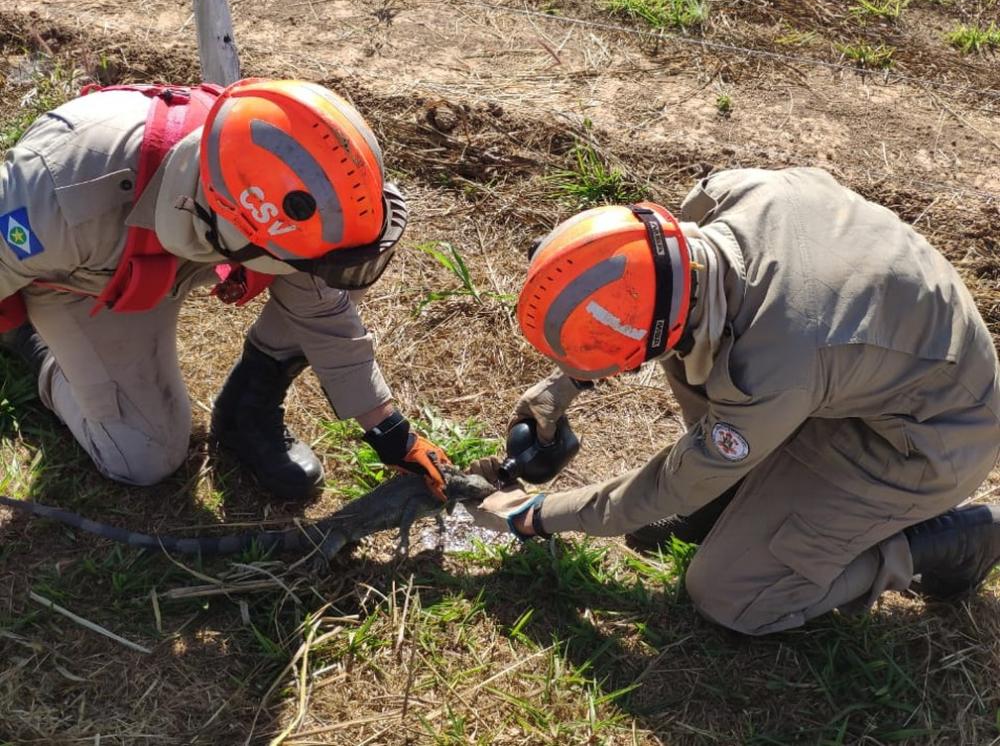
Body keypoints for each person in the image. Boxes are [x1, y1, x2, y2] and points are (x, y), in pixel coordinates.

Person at [467, 167, 1000, 636]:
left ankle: (946, 543)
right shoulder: (724, 198)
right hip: (872, 367)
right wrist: (562, 386)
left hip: (931, 437)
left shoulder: (765, 371)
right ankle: (736, 493)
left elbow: (669, 484)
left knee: (731, 596)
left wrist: (535, 514)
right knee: (691, 352)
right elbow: (646, 293)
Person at [0, 79, 449, 501]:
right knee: (142, 456)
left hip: (192, 237)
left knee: (325, 265)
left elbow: (322, 307)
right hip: (83, 279)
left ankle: (248, 410)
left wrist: (389, 431)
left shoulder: (280, 164)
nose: (310, 276)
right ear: (235, 223)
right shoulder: (56, 191)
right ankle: (34, 347)